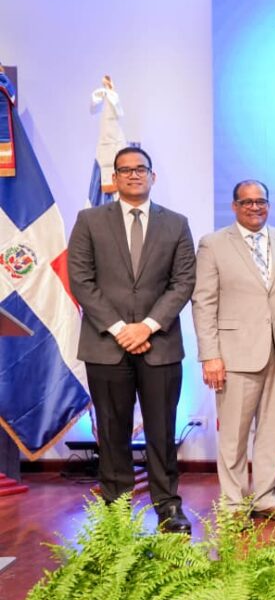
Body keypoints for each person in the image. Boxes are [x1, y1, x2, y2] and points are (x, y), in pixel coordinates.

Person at [67, 145, 196, 533]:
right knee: (112, 431)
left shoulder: (176, 223)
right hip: (106, 344)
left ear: (153, 176)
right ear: (115, 178)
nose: (134, 174)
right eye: (125, 169)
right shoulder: (90, 220)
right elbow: (81, 280)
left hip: (160, 344)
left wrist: (148, 326)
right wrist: (121, 328)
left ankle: (167, 506)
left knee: (162, 431)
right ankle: (116, 509)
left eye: (141, 169)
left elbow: (183, 282)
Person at [191, 180, 275, 522]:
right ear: (234, 206)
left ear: (268, 204)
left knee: (271, 431)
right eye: (247, 202)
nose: (255, 207)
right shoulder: (213, 244)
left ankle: (266, 498)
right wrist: (210, 355)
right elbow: (203, 302)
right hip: (233, 355)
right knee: (234, 435)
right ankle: (234, 504)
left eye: (260, 201)